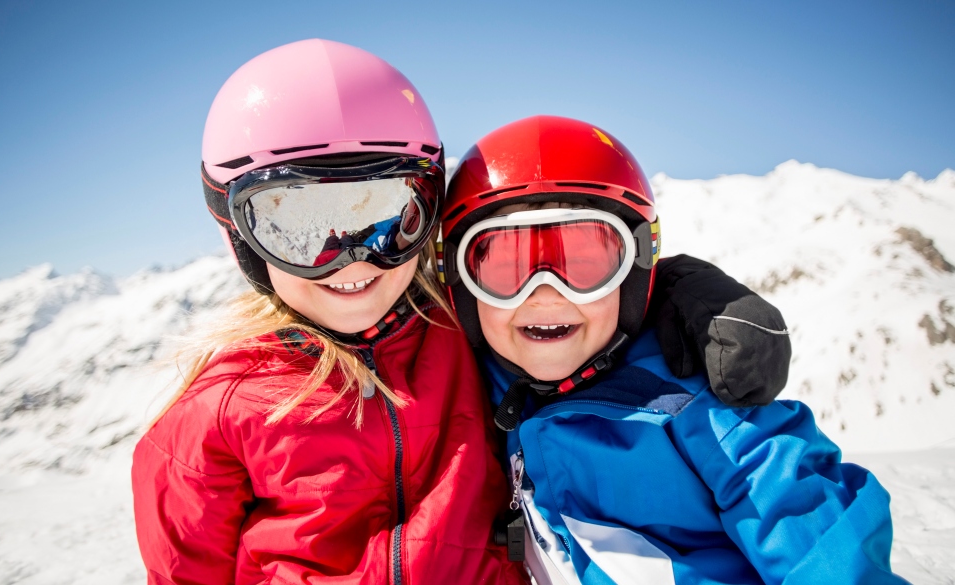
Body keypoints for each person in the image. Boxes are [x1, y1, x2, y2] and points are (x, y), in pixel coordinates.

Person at [131, 41, 790, 584]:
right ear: (238, 231)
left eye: (384, 216)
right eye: (299, 228)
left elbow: (566, 293)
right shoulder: (215, 414)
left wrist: (685, 292)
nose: (354, 259)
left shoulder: (460, 327)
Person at [438, 115, 907, 584]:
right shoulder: (474, 388)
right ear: (460, 283)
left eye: (585, 264)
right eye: (504, 268)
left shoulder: (699, 407)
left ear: (635, 271)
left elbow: (810, 526)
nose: (545, 293)